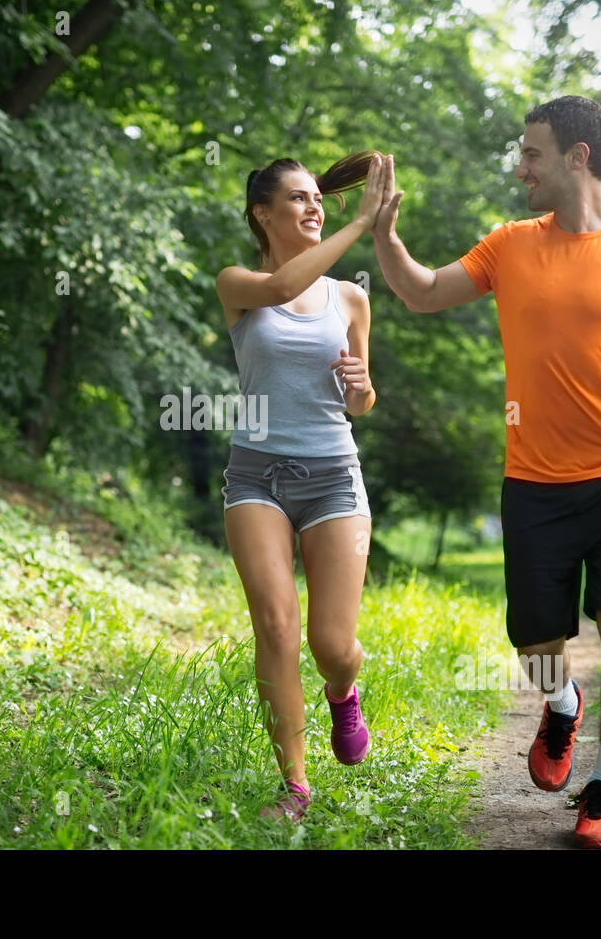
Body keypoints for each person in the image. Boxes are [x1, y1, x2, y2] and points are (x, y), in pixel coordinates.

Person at [370, 96, 601, 848]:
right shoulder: (510, 246)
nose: (519, 166)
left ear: (578, 157)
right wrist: (384, 236)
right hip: (533, 480)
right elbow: (423, 292)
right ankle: (558, 701)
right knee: (536, 644)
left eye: (531, 153)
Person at [216, 151, 385, 822]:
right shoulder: (238, 282)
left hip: (332, 477)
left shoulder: (351, 298)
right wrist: (363, 220)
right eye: (298, 198)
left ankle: (344, 693)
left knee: (331, 646)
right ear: (262, 212)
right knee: (276, 627)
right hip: (256, 473)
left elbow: (361, 402)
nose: (315, 208)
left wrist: (363, 390)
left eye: (319, 198)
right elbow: (285, 287)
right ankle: (294, 785)